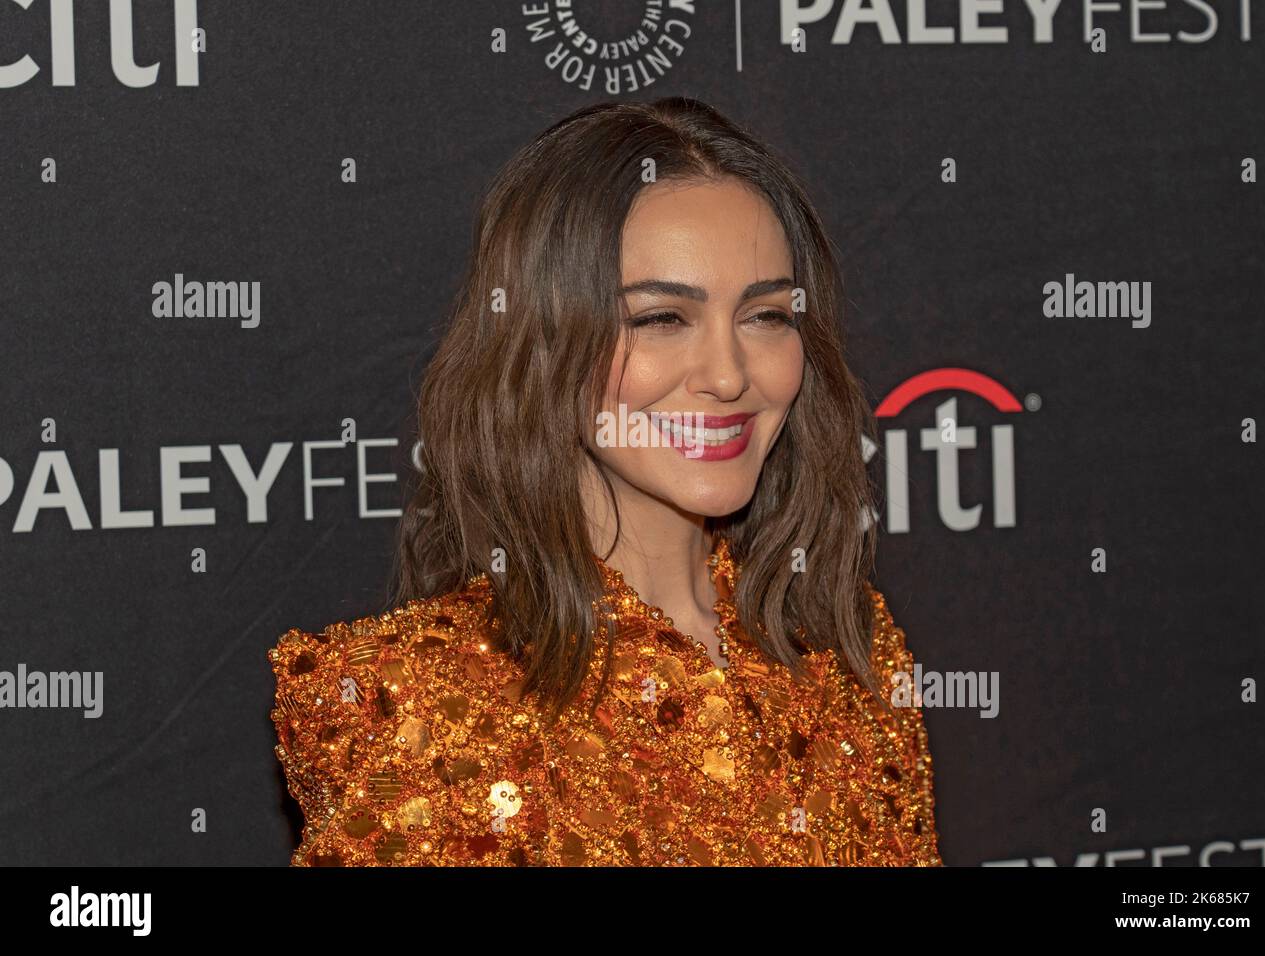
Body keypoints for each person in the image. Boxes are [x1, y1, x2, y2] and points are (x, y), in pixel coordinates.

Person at [268, 97, 941, 867]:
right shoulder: (408, 706)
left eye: (765, 316)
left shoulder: (848, 652)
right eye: (661, 319)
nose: (728, 375)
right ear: (544, 346)